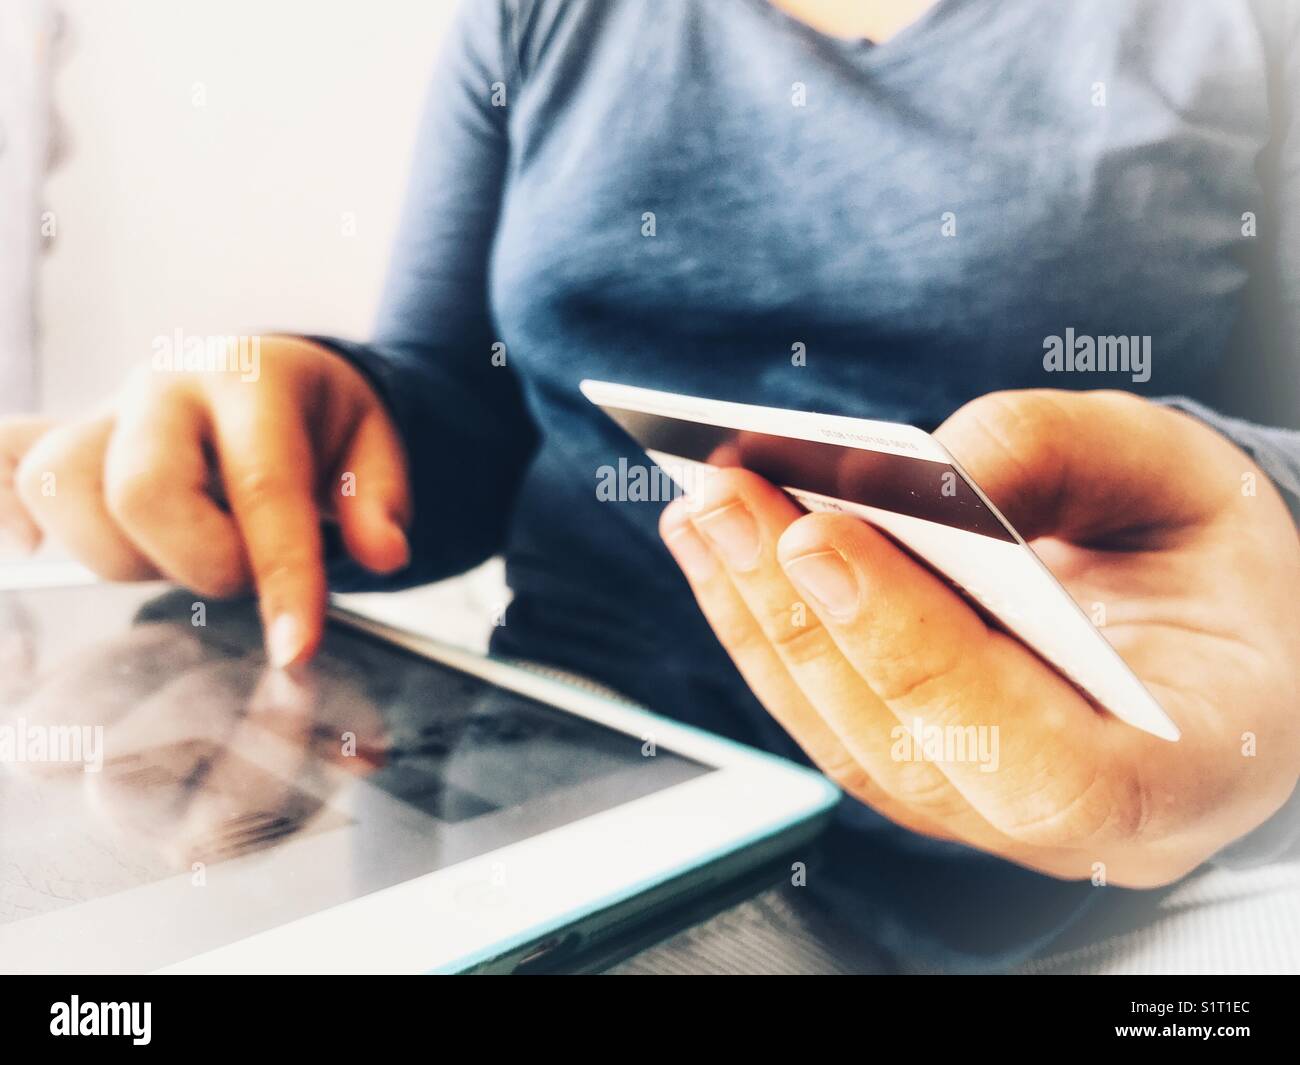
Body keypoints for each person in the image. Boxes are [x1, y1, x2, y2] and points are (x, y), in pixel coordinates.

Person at [2, 0, 1298, 970]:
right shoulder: (545, 15)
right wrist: (320, 408)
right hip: (541, 793)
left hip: (1001, 865)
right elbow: (465, 397)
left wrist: (1269, 516)